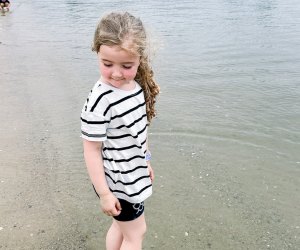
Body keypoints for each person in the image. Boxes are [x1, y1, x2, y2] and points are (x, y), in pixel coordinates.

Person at [81, 12, 160, 250]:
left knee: (120, 228)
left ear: (139, 59)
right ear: (97, 54)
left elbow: (139, 133)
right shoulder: (100, 100)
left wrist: (145, 161)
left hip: (133, 174)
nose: (116, 73)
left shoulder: (135, 87)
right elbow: (92, 150)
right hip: (118, 181)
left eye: (127, 66)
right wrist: (105, 194)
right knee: (136, 234)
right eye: (107, 64)